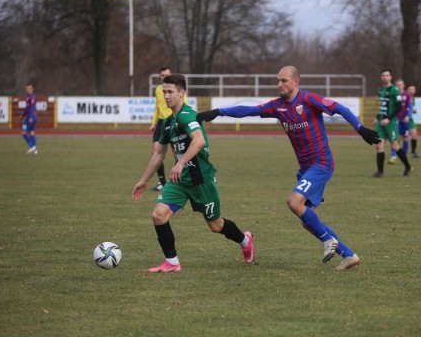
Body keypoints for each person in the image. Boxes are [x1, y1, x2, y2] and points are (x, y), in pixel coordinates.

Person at [197, 65, 380, 271]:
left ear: (296, 83)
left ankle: (328, 240)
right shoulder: (278, 106)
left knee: (294, 202)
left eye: (283, 80)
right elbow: (249, 110)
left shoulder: (308, 100)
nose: (279, 84)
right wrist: (218, 111)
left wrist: (360, 128)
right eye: (278, 80)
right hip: (305, 168)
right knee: (309, 222)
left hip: (321, 164)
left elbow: (340, 108)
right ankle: (349, 255)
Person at [132, 73, 255, 272]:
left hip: (201, 180)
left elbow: (199, 140)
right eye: (164, 92)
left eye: (170, 92)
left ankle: (245, 240)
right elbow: (159, 154)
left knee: (215, 225)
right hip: (179, 180)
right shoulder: (167, 122)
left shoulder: (186, 115)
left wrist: (180, 162)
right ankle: (172, 262)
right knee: (158, 216)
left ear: (182, 93)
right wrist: (143, 180)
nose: (166, 96)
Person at [149, 66, 185, 192]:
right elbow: (157, 107)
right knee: (155, 152)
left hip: (173, 121)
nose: (165, 77)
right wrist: (154, 122)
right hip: (161, 123)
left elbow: (183, 103)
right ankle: (161, 181)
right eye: (163, 75)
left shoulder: (176, 89)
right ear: (160, 76)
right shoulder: (158, 89)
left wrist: (182, 119)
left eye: (167, 75)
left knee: (177, 154)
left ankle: (178, 180)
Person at [376, 71, 411, 176]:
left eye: (387, 75)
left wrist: (388, 119)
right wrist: (377, 117)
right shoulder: (380, 90)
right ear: (381, 77)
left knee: (395, 145)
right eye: (383, 75)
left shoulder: (395, 90)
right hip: (380, 123)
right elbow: (382, 107)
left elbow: (399, 107)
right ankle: (380, 172)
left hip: (390, 123)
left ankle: (407, 167)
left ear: (390, 77)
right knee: (379, 145)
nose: (385, 77)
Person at [389, 78, 413, 165]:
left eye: (400, 85)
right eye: (397, 85)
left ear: (403, 86)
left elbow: (410, 107)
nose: (399, 86)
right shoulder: (393, 94)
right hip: (396, 120)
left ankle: (404, 155)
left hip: (405, 120)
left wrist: (408, 116)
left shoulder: (407, 94)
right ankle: (393, 155)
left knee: (406, 138)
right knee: (396, 138)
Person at [21, 83, 38, 155]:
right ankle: (35, 150)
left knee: (23, 132)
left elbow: (31, 108)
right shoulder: (28, 97)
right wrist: (22, 115)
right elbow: (27, 108)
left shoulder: (32, 97)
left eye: (29, 88)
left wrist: (30, 117)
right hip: (31, 116)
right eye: (27, 89)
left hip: (30, 117)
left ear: (32, 89)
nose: (28, 90)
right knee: (31, 132)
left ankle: (32, 146)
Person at [407, 85, 421, 158]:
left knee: (414, 135)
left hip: (410, 119)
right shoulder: (405, 97)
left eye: (413, 89)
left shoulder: (413, 98)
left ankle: (413, 153)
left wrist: (413, 111)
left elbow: (410, 108)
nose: (412, 91)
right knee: (400, 137)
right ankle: (395, 153)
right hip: (402, 119)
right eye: (410, 89)